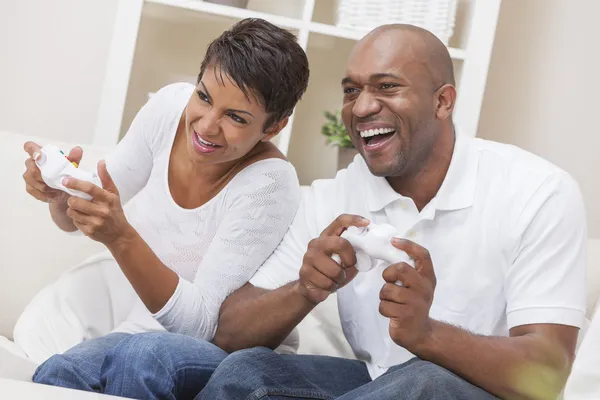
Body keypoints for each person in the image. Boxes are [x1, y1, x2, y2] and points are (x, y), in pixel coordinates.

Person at [195, 24, 587, 399]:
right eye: (351, 91)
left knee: (425, 380)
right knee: (248, 371)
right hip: (374, 383)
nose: (362, 107)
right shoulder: (333, 198)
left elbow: (546, 376)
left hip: (481, 390)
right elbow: (230, 335)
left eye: (387, 87)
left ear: (442, 101)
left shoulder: (538, 191)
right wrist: (305, 290)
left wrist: (427, 335)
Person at [21, 18, 309, 399]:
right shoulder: (168, 109)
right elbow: (83, 213)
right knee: (59, 372)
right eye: (204, 96)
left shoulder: (269, 184)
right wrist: (63, 195)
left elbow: (203, 326)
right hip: (142, 335)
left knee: (143, 360)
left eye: (236, 117)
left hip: (227, 353)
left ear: (273, 128)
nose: (206, 126)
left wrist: (122, 237)